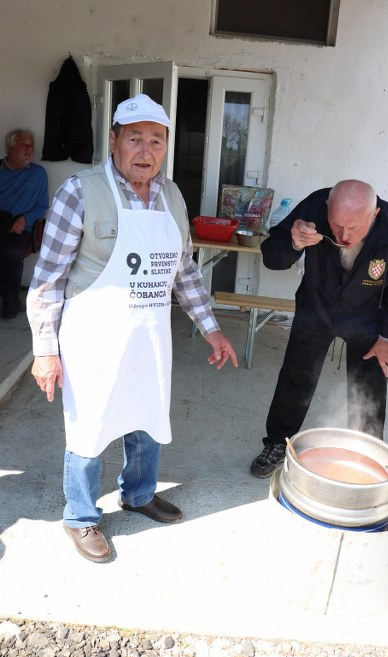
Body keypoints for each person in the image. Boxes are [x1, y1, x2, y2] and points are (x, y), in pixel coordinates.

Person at [27, 94, 238, 562]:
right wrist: (45, 350)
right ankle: (80, 516)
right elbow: (48, 279)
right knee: (89, 424)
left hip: (149, 332)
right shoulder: (80, 191)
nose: (146, 151)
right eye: (135, 139)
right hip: (93, 336)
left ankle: (138, 494)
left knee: (147, 413)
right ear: (114, 140)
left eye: (156, 140)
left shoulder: (172, 196)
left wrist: (212, 330)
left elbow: (184, 271)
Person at [249, 179, 388, 478]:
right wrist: (293, 242)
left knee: (369, 387)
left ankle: (365, 453)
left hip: (369, 318)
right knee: (296, 378)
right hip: (317, 308)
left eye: (354, 227)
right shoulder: (313, 207)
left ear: (375, 214)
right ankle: (278, 443)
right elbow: (272, 257)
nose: (344, 235)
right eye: (337, 225)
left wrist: (387, 337)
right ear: (328, 208)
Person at [0, 129, 48, 318]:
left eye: (31, 146)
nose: (29, 150)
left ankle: (11, 302)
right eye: (24, 145)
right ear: (10, 148)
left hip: (20, 227)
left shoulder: (38, 173)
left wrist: (25, 219)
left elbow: (42, 205)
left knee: (12, 254)